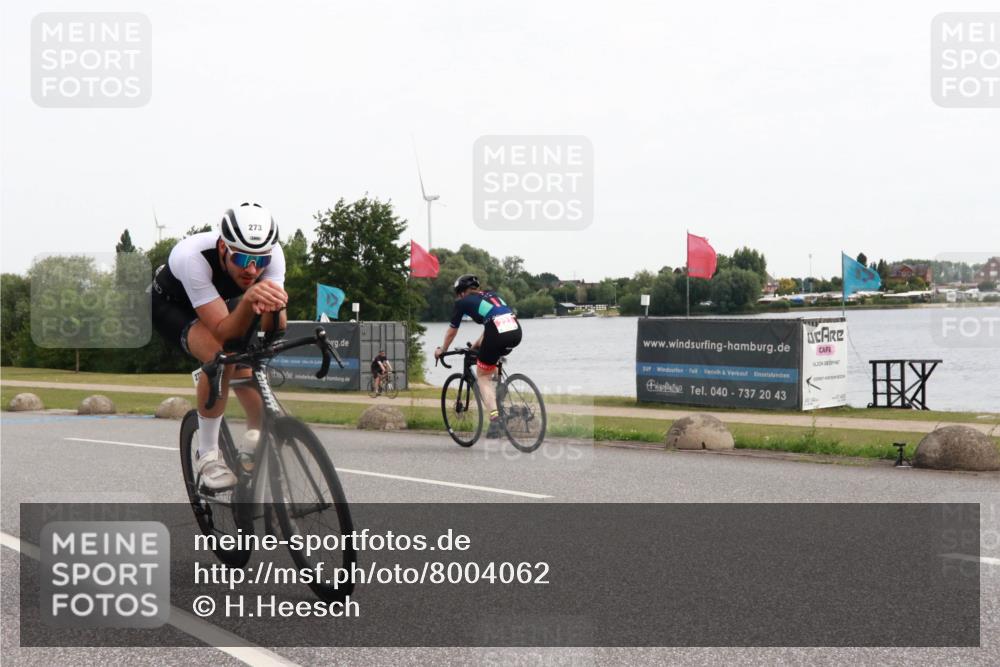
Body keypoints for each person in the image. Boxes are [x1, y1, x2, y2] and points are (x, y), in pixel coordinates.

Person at [151, 202, 287, 489]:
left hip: (219, 303)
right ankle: (208, 454)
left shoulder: (273, 255)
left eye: (260, 261)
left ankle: (253, 441)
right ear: (224, 249)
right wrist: (251, 301)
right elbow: (224, 334)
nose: (252, 270)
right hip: (173, 306)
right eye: (243, 259)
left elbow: (273, 330)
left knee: (251, 365)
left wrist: (275, 309)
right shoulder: (193, 257)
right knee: (222, 356)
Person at [434, 274, 521, 438]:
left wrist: (443, 350)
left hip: (497, 333)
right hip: (516, 331)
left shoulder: (463, 302)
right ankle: (500, 391)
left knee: (482, 375)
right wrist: (475, 345)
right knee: (489, 361)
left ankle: (495, 420)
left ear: (461, 292)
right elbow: (493, 322)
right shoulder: (492, 295)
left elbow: (452, 331)